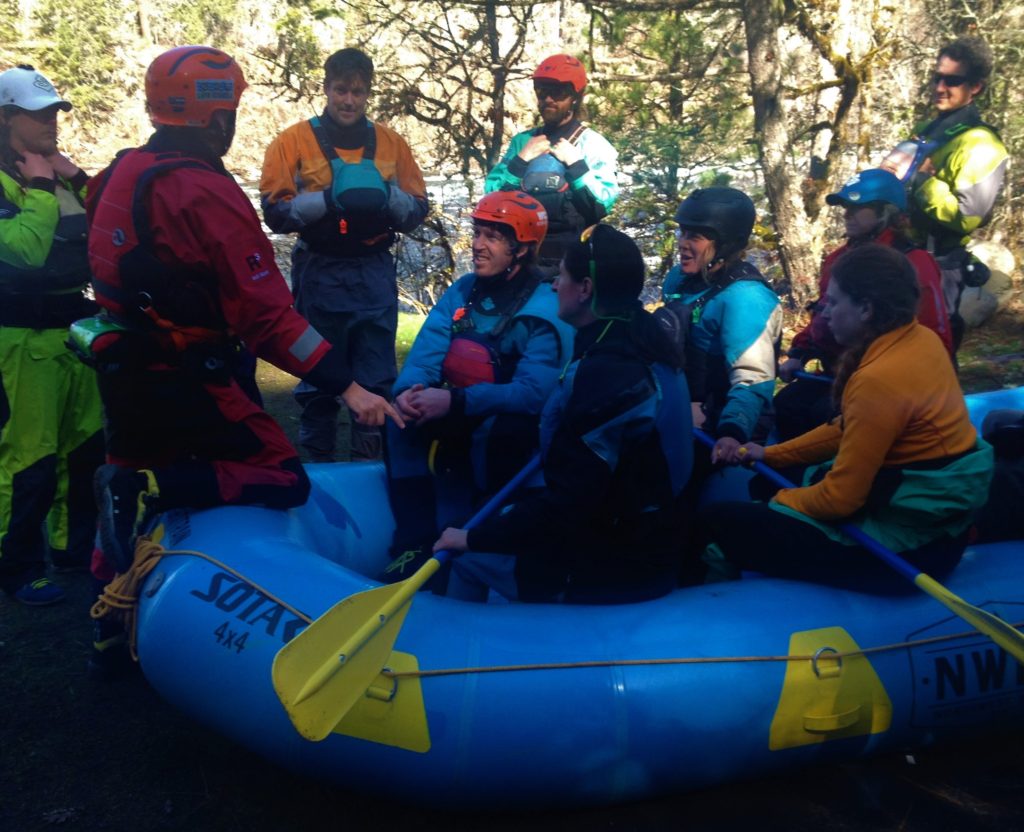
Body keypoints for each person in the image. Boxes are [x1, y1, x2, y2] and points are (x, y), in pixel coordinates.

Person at [85, 46, 402, 579]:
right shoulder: (204, 192)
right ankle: (158, 493)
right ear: (215, 115)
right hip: (188, 375)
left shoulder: (122, 170)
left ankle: (107, 633)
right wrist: (347, 386)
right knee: (282, 475)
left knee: (121, 476)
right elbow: (269, 318)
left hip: (124, 369)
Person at [702, 244, 993, 592]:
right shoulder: (920, 339)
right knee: (769, 477)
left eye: (835, 302)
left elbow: (840, 500)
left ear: (866, 309)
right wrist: (769, 454)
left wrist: (781, 503)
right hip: (932, 520)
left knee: (717, 523)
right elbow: (847, 428)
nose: (825, 313)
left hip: (910, 548)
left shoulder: (878, 379)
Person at [434, 224, 692, 603]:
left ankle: (462, 652)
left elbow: (569, 505)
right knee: (505, 517)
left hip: (618, 564)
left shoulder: (607, 373)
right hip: (643, 532)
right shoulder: (642, 336)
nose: (554, 286)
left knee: (464, 556)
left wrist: (471, 538)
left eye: (563, 277)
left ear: (585, 289)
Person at [383, 191, 571, 584]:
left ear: (520, 249)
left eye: (492, 237)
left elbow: (533, 393)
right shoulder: (463, 290)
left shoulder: (544, 305)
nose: (477, 245)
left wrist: (454, 401)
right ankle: (413, 542)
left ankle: (480, 540)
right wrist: (409, 392)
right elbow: (427, 352)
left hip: (509, 421)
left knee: (500, 433)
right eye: (477, 232)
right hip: (460, 407)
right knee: (397, 420)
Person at [260, 47, 428, 462]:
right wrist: (330, 198)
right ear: (326, 88)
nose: (348, 100)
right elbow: (275, 213)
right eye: (340, 90)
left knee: (375, 379)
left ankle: (370, 471)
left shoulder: (392, 144)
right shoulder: (292, 142)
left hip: (373, 270)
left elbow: (418, 209)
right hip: (320, 270)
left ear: (368, 93)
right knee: (317, 377)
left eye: (357, 92)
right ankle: (317, 474)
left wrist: (383, 195)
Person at [0, 65, 103, 605]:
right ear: (7, 118)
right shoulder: (14, 180)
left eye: (55, 113)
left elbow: (106, 224)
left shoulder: (59, 172)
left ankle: (72, 549)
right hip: (18, 334)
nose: (51, 123)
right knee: (28, 457)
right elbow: (23, 250)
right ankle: (16, 565)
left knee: (83, 449)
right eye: (39, 114)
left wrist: (77, 178)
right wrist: (41, 184)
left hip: (72, 330)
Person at [774, 168, 951, 441]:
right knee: (787, 406)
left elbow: (935, 335)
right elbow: (825, 313)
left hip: (887, 385)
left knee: (822, 416)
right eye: (846, 207)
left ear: (886, 212)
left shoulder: (914, 263)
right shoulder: (838, 259)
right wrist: (800, 351)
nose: (847, 214)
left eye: (858, 207)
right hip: (835, 377)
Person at [880, 35, 1007, 353]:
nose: (939, 87)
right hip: (901, 256)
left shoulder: (981, 143)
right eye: (937, 77)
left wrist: (925, 180)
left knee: (929, 353)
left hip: (941, 268)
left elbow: (966, 217)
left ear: (975, 87)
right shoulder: (929, 129)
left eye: (952, 80)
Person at [660, 186, 782, 469]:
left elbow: (753, 378)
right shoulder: (679, 280)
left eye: (695, 236)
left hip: (722, 424)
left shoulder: (746, 299)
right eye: (682, 232)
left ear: (726, 244)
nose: (682, 242)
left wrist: (731, 432)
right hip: (680, 408)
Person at [485, 53, 618, 270]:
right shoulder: (522, 143)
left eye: (557, 92)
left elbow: (601, 206)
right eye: (542, 91)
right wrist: (520, 161)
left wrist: (576, 165)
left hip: (573, 265)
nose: (548, 99)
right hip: (524, 263)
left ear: (575, 96)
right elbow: (492, 198)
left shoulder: (593, 145)